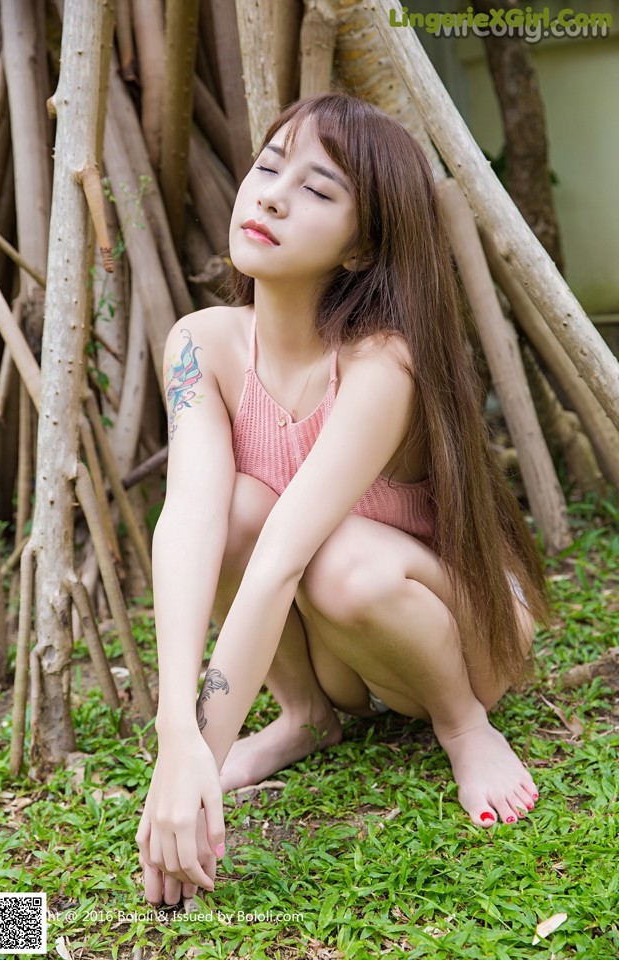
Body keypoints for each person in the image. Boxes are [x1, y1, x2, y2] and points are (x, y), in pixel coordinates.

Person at [136, 93, 550, 906]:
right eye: (267, 166)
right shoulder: (201, 344)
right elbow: (190, 519)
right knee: (235, 512)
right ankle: (304, 718)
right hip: (339, 646)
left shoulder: (380, 363)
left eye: (319, 190)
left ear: (362, 246)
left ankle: (463, 725)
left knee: (339, 559)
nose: (271, 195)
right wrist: (177, 741)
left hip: (455, 627)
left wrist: (199, 763)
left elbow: (287, 557)